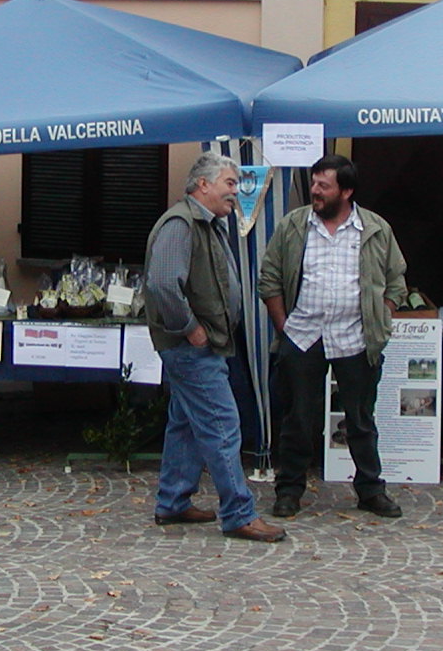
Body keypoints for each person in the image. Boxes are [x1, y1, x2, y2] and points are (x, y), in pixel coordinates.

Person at [143, 151, 285, 543]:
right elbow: (162, 284)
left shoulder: (205, 224)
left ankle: (172, 502)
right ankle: (239, 513)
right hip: (191, 348)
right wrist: (190, 329)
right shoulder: (181, 224)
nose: (235, 192)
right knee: (222, 425)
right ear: (203, 184)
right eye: (230, 183)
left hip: (202, 345)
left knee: (186, 424)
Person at [258, 153, 408, 520]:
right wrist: (283, 327)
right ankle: (289, 491)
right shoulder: (294, 226)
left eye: (324, 186)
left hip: (356, 339)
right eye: (314, 183)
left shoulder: (375, 229)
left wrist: (380, 319)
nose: (315, 191)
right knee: (297, 419)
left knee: (361, 420)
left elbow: (396, 280)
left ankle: (371, 491)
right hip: (303, 336)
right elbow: (269, 277)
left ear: (346, 191)